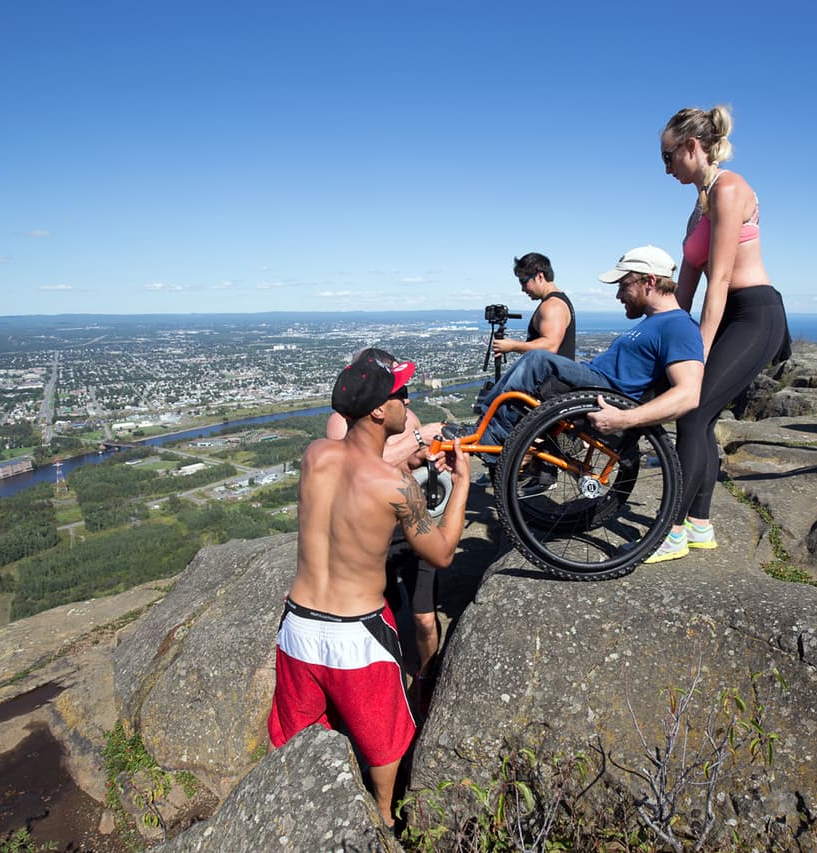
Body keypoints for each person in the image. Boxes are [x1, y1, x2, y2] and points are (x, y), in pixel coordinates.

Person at [268, 349, 470, 828]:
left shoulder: (315, 456)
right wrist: (461, 485)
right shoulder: (395, 486)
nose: (406, 399)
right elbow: (441, 552)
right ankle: (381, 823)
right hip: (356, 638)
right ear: (380, 410)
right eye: (400, 393)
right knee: (384, 744)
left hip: (296, 629)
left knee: (297, 743)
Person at [449, 246, 703, 539]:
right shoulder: (654, 323)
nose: (619, 295)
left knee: (537, 361)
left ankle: (486, 437)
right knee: (532, 369)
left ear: (649, 281)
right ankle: (486, 431)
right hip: (595, 384)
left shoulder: (679, 326)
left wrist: (625, 419)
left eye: (623, 285)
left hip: (603, 394)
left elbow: (689, 394)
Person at [658, 105, 788, 561]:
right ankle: (698, 525)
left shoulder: (730, 189)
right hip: (726, 312)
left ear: (693, 147)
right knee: (703, 418)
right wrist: (662, 337)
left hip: (753, 314)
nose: (667, 167)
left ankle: (670, 530)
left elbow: (722, 281)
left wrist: (699, 352)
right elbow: (686, 292)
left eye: (668, 156)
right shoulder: (698, 211)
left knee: (691, 411)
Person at [325, 365, 446, 703]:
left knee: (423, 616)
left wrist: (429, 459)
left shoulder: (409, 418)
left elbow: (414, 464)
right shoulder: (342, 424)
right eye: (398, 391)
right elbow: (357, 469)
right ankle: (389, 674)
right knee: (383, 612)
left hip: (411, 528)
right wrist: (416, 441)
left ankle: (425, 675)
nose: (406, 397)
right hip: (372, 535)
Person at [491, 252, 576, 360]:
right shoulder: (557, 301)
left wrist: (513, 346)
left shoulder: (553, 305)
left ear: (540, 277)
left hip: (552, 376)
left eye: (524, 282)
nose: (522, 289)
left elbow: (550, 346)